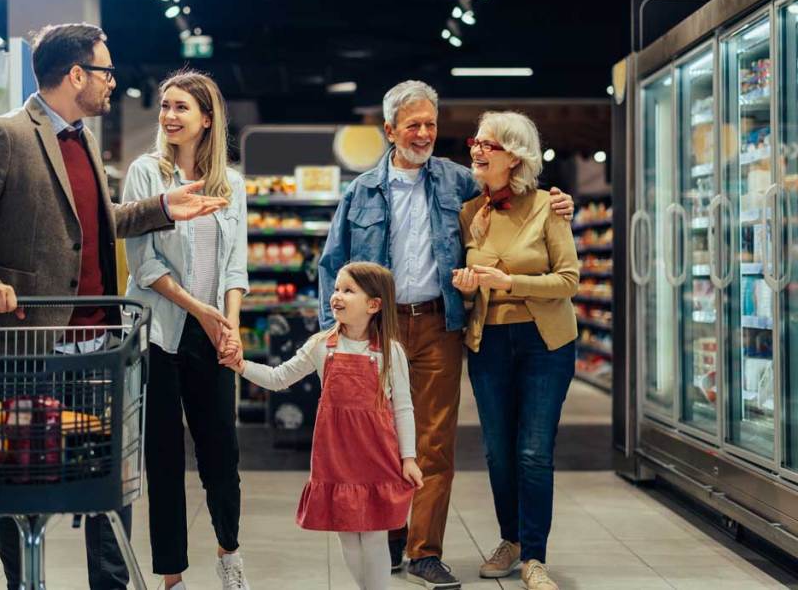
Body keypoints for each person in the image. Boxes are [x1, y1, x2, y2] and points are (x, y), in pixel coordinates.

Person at [0, 23, 228, 590]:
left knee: (107, 481)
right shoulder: (6, 135)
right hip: (26, 340)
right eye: (105, 71)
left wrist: (164, 206)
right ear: (76, 75)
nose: (111, 83)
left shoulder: (82, 138)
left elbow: (98, 225)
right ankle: (27, 584)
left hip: (95, 342)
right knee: (22, 479)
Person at [317, 80, 574, 589]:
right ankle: (392, 534)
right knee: (381, 436)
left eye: (431, 124)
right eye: (413, 124)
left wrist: (559, 201)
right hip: (380, 328)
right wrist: (334, 332)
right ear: (389, 130)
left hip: (440, 324)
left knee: (435, 442)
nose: (424, 133)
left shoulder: (459, 182)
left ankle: (424, 551)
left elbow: (516, 195)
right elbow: (331, 263)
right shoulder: (361, 191)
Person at [121, 70, 250, 590]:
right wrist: (200, 308)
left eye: (181, 108)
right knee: (165, 458)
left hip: (211, 329)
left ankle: (229, 555)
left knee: (222, 452)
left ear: (207, 118)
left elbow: (235, 265)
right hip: (158, 331)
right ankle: (171, 576)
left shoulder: (232, 184)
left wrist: (231, 328)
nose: (169, 116)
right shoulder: (145, 175)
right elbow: (144, 265)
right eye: (165, 106)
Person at [220, 262, 422, 590]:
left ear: (374, 305)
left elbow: (403, 407)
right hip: (336, 456)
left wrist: (409, 457)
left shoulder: (390, 352)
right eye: (336, 289)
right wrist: (241, 366)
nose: (336, 296)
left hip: (378, 455)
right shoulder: (321, 346)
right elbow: (278, 377)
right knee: (348, 539)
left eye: (348, 290)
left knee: (373, 536)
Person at [452, 112, 579, 590]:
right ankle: (510, 540)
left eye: (489, 145)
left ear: (515, 156)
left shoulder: (551, 207)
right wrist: (467, 288)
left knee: (532, 452)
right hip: (489, 343)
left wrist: (511, 281)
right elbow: (472, 287)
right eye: (476, 142)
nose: (477, 151)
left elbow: (569, 280)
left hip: (545, 342)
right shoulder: (471, 214)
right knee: (498, 452)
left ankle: (535, 557)